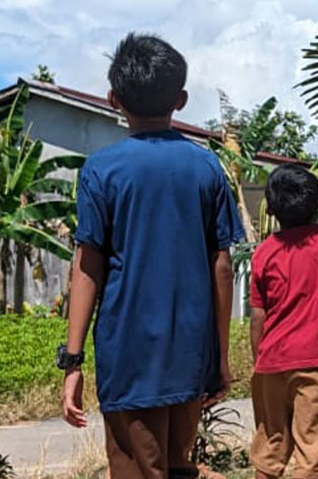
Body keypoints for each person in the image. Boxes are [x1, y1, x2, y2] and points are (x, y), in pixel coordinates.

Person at [59, 34, 243, 479]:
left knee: (135, 469)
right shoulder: (205, 167)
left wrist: (73, 360)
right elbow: (222, 267)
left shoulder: (102, 170)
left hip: (128, 353)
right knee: (180, 468)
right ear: (180, 100)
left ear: (112, 99)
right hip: (190, 351)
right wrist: (219, 355)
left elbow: (88, 267)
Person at [247, 164, 318, 479]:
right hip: (315, 360)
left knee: (270, 447)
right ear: (317, 205)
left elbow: (257, 316)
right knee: (314, 453)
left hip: (271, 362)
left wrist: (260, 362)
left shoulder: (263, 253)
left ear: (271, 209)